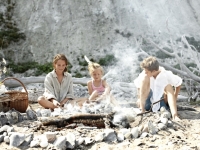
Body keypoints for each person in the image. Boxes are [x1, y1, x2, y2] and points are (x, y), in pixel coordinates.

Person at [134, 56, 182, 120]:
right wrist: (139, 99)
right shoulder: (144, 74)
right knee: (144, 78)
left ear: (153, 71)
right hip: (148, 104)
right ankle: (142, 110)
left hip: (161, 105)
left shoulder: (167, 74)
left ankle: (175, 115)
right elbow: (138, 85)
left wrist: (175, 97)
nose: (145, 72)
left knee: (168, 86)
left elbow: (178, 84)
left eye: (147, 71)